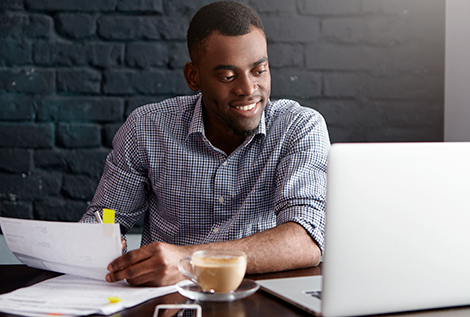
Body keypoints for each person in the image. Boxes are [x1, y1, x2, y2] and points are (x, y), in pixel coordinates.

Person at [80, 0, 330, 287]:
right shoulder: (146, 129)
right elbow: (108, 217)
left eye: (259, 71)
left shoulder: (298, 128)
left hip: (260, 301)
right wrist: (106, 234)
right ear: (193, 76)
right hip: (170, 302)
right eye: (227, 76)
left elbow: (305, 240)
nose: (248, 90)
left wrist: (189, 261)